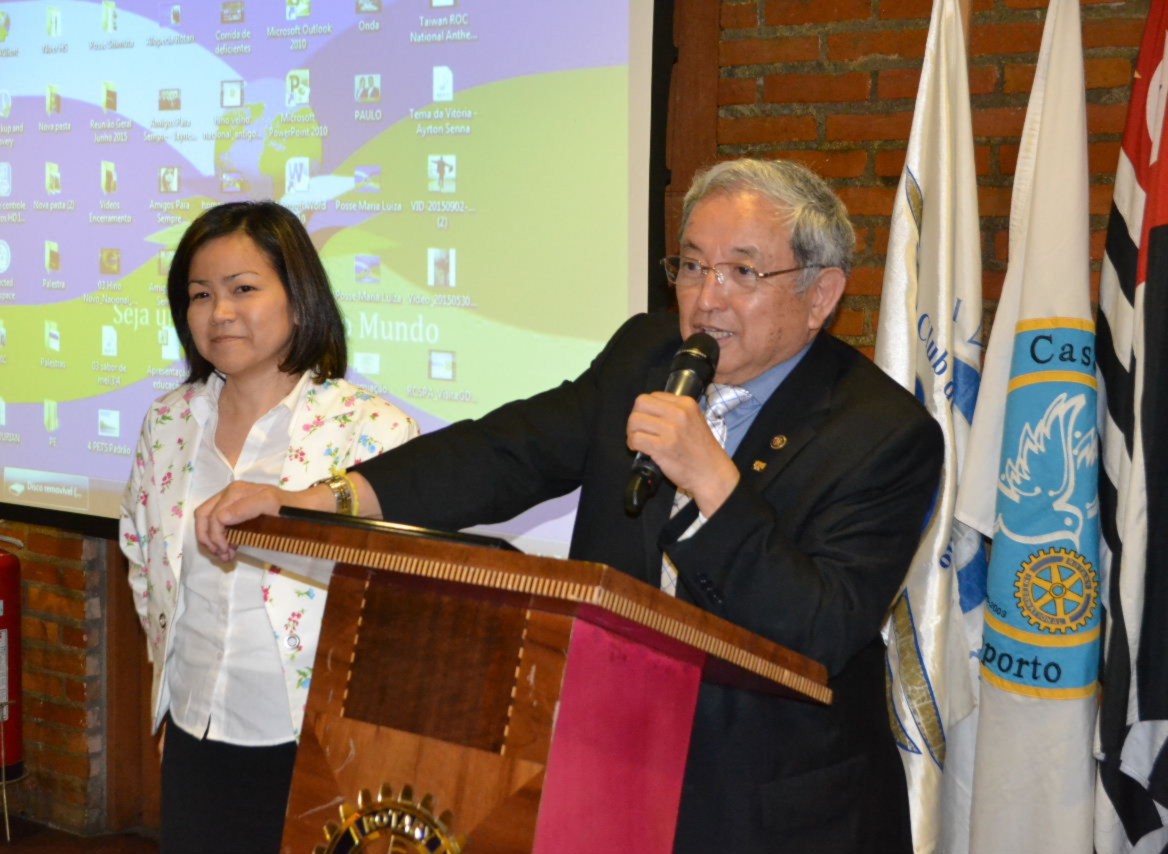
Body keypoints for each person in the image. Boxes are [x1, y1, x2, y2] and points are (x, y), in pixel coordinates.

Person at [196, 159, 942, 853]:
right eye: (691, 266)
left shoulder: (884, 434)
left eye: (742, 272)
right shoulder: (649, 352)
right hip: (613, 769)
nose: (707, 298)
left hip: (771, 805)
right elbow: (504, 453)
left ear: (821, 295)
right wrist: (320, 502)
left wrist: (715, 484)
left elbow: (822, 631)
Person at [118, 201, 418, 854]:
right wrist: (172, 697)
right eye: (201, 294)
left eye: (243, 289)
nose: (220, 312)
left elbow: (399, 605)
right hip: (195, 729)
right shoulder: (168, 423)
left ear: (300, 300)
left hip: (319, 742)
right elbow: (143, 560)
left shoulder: (371, 430)